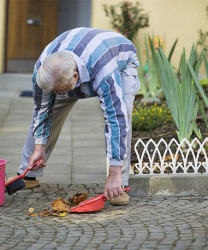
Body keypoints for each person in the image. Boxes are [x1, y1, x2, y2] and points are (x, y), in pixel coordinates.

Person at [12, 27, 140, 205]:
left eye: (62, 90)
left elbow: (115, 120)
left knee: (122, 115)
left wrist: (114, 170)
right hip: (74, 65)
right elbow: (41, 110)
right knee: (49, 108)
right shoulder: (43, 69)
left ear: (75, 76)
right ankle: (28, 174)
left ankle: (118, 183)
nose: (60, 94)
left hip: (121, 63)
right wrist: (39, 146)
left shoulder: (104, 71)